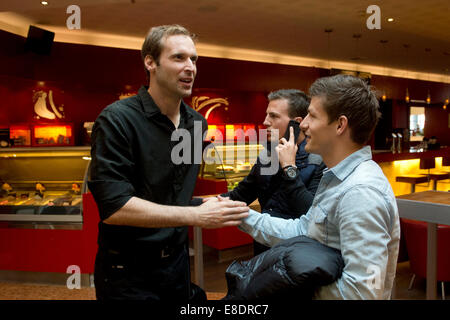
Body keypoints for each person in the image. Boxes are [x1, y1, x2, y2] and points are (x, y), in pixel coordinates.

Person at [88, 24, 249, 301]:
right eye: (178, 58)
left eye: (194, 59)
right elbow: (114, 207)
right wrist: (196, 216)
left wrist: (204, 204)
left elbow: (170, 195)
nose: (190, 67)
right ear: (150, 62)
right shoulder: (117, 119)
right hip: (127, 272)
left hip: (176, 265)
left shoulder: (196, 123)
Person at [236, 74, 400, 299]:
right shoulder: (336, 178)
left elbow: (361, 293)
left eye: (312, 116)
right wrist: (237, 214)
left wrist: (286, 286)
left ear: (340, 125)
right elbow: (303, 231)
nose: (302, 124)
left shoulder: (360, 193)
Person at [220, 89, 325, 255]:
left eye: (274, 116)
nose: (265, 122)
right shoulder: (267, 155)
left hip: (299, 257)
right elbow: (241, 195)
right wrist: (194, 204)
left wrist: (289, 168)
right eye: (266, 115)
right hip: (264, 252)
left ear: (296, 124)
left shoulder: (319, 160)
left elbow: (311, 216)